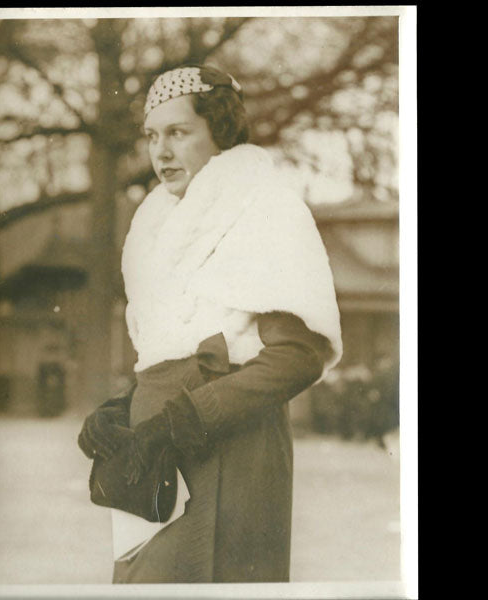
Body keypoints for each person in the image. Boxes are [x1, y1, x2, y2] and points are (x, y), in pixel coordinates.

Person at [78, 64, 342, 584]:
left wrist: (185, 419)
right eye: (152, 136)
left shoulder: (265, 206)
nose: (162, 152)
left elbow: (299, 355)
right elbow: (169, 347)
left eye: (178, 132)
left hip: (231, 450)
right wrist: (123, 407)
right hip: (154, 450)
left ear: (218, 130)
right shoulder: (155, 222)